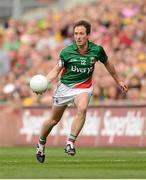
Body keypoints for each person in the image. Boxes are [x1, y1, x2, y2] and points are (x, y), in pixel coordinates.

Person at [35, 20, 128, 163]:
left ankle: (70, 143)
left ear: (88, 35)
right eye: (76, 34)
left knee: (82, 108)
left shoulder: (97, 50)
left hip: (84, 87)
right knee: (54, 120)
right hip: (65, 88)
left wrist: (118, 81)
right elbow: (56, 70)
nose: (78, 37)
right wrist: (45, 84)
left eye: (81, 34)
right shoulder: (67, 52)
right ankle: (41, 144)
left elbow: (108, 63)